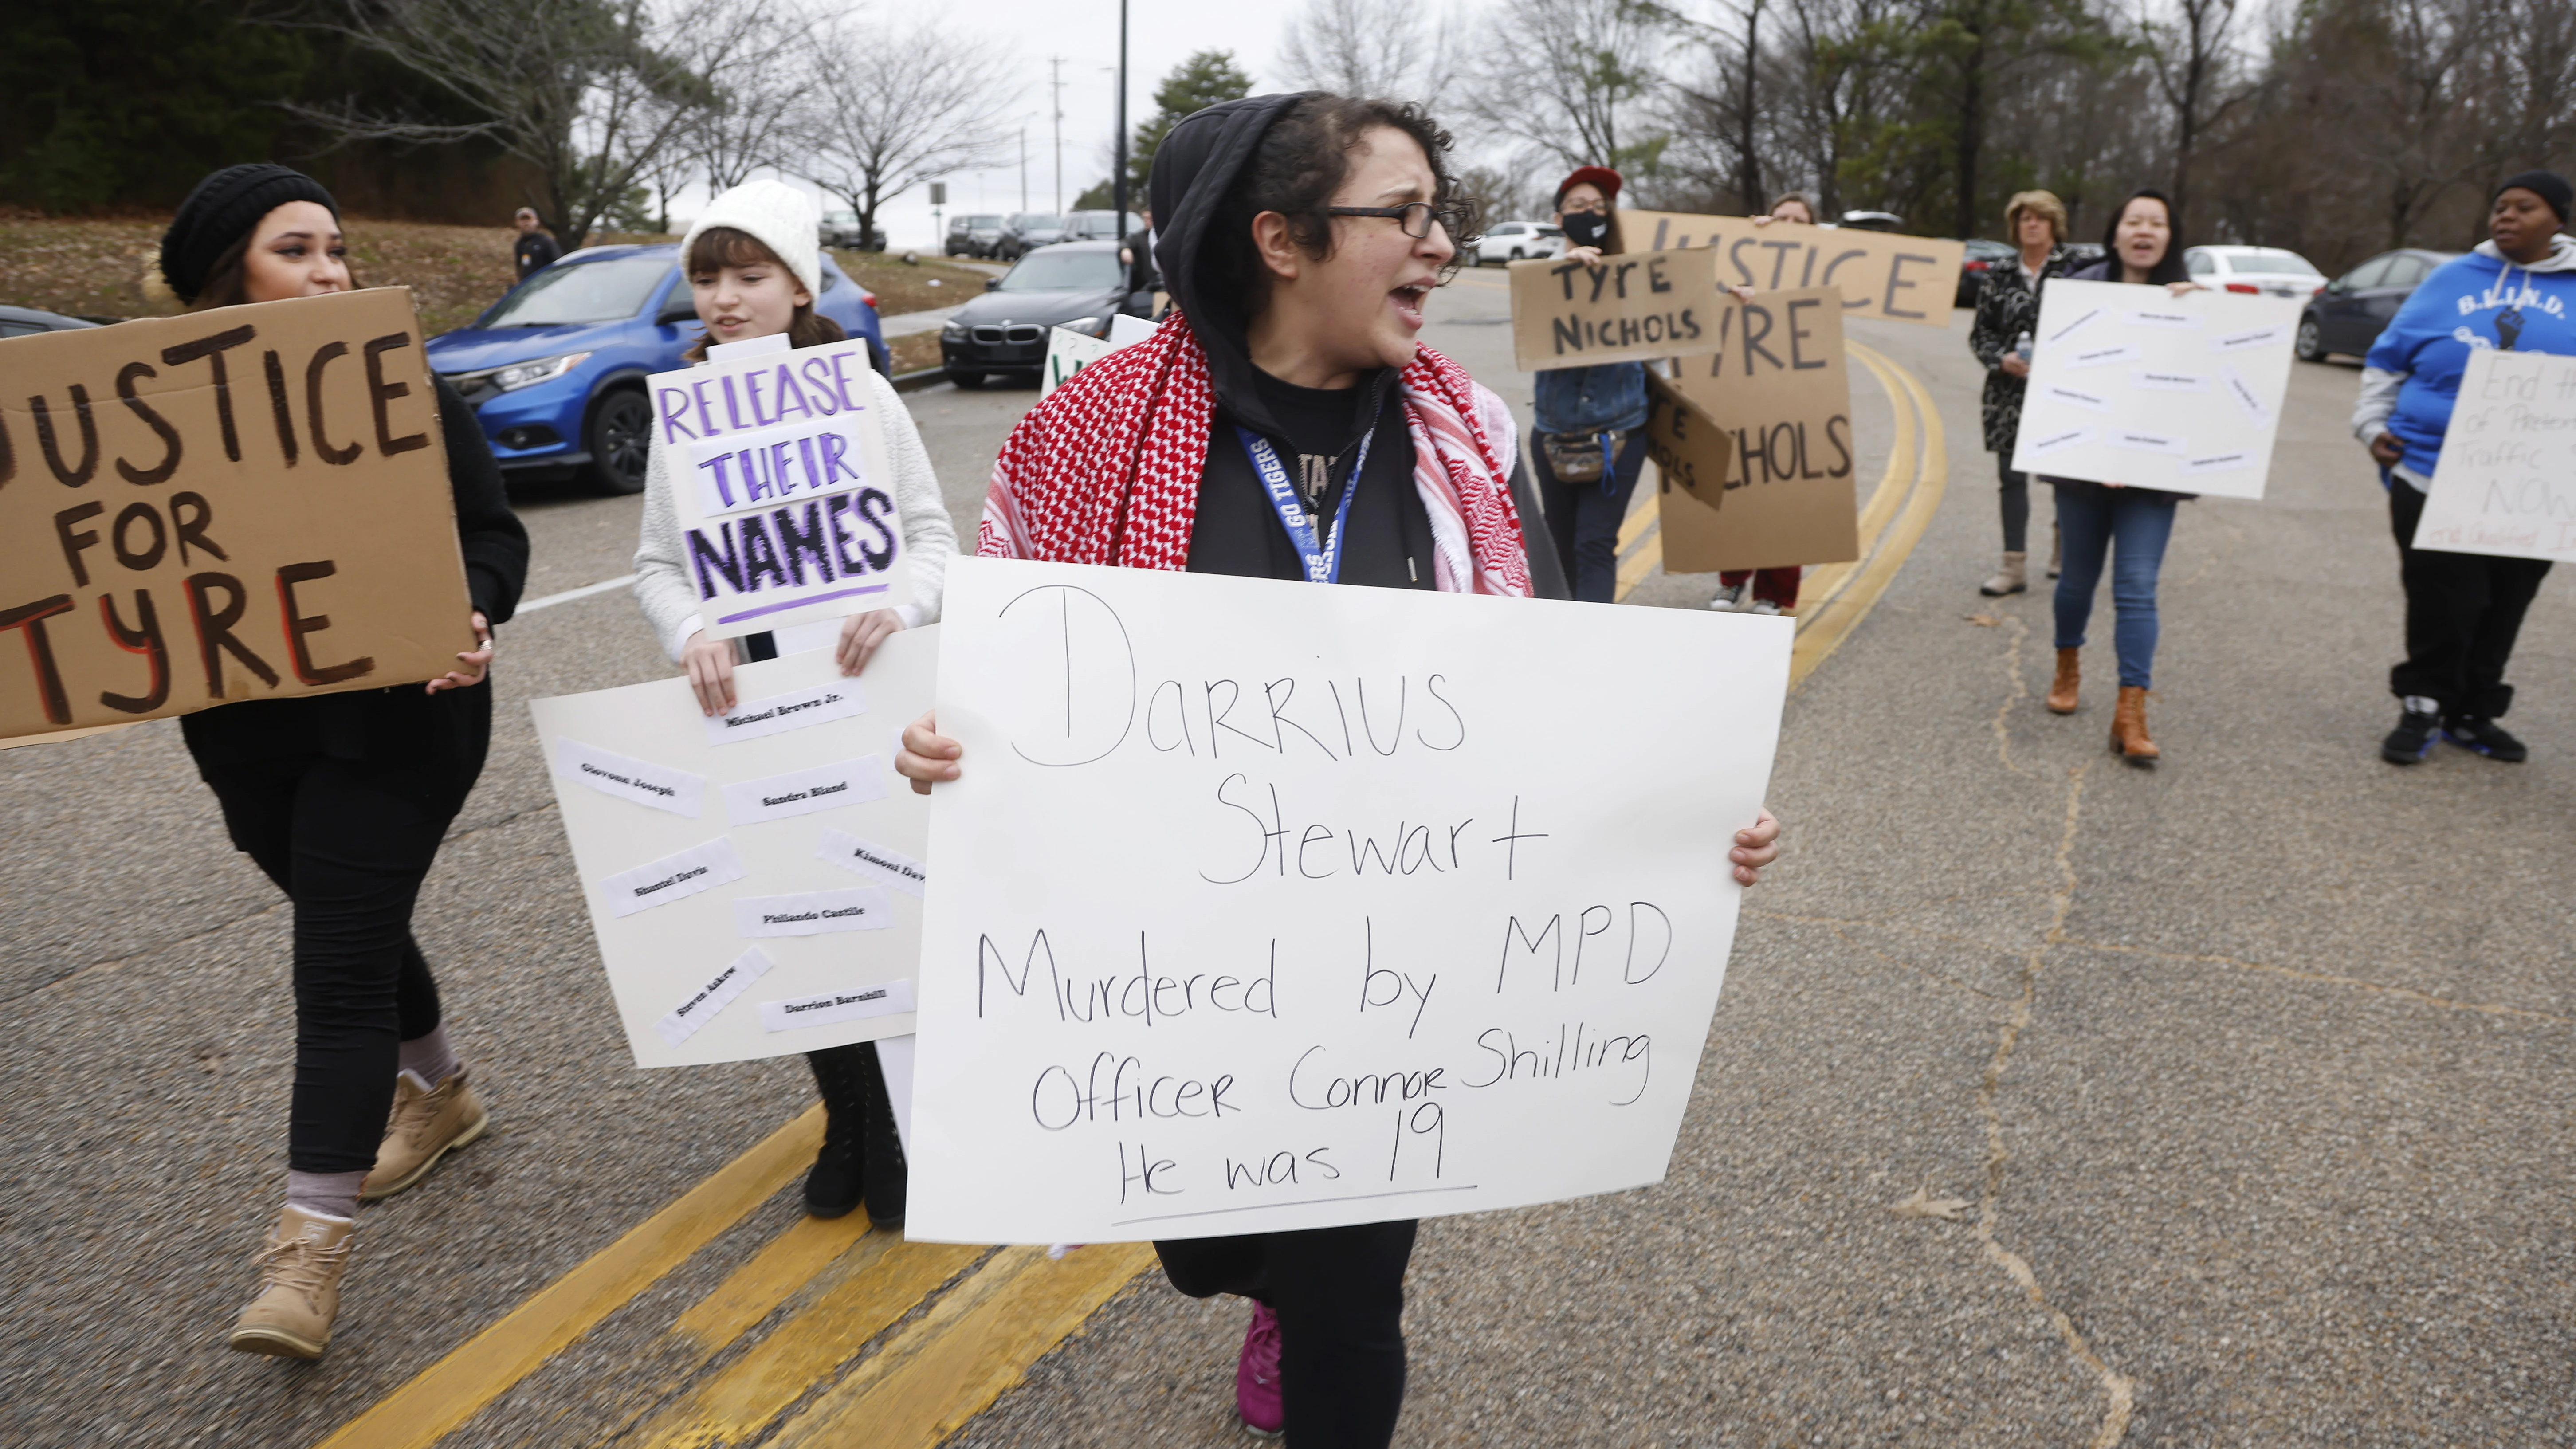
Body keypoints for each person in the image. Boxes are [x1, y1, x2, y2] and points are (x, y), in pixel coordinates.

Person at [894, 93, 1783, 1447]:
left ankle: (1310, 1308)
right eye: (1403, 216)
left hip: (1398, 976)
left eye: (1444, 217)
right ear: (1281, 240)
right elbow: (1006, 696)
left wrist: (1684, 818)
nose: (1439, 248)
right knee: (1203, 1247)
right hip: (1179, 976)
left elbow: (1558, 699)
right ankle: (1246, 1274)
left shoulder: (1466, 440)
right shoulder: (1086, 438)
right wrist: (947, 751)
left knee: (1354, 1301)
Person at [141, 164, 529, 1359]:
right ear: (225, 277)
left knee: (338, 966)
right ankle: (443, 1088)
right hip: (247, 728)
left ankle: (305, 1251)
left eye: (335, 249)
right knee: (339, 913)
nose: (330, 272)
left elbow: (493, 534)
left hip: (403, 720)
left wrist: (467, 613)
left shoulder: (400, 377)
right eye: (296, 250)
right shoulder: (146, 415)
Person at [630, 179, 957, 1227]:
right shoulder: (682, 413)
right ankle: (845, 1119)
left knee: (880, 903)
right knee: (801, 910)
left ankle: (902, 1129)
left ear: (797, 284)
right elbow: (656, 565)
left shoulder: (860, 393)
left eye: (750, 273)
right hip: (759, 707)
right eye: (707, 276)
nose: (725, 297)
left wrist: (901, 609)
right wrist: (693, 632)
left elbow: (934, 538)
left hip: (868, 691)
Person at [2354, 169, 2576, 765]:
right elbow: (2386, 361)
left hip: (2535, 484)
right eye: (2499, 207)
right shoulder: (2450, 280)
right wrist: (2372, 427)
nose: (2504, 217)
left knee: (2506, 599)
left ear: (2558, 218)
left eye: (2523, 208)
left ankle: (2473, 711)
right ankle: (2424, 702)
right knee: (2443, 597)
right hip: (2431, 471)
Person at [2038, 188, 2203, 762]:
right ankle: (2068, 664)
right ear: (2115, 233)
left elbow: (2209, 385)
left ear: (2169, 238)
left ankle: (2130, 713)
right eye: (2134, 220)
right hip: (2085, 466)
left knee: (2136, 585)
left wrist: (2205, 315)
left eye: (2158, 222)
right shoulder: (2080, 291)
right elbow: (2057, 369)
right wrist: (2099, 450)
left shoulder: (2194, 301)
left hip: (2151, 475)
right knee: (2077, 580)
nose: (2145, 230)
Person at [1531, 165, 1653, 603]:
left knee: (1594, 545)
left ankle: (1593, 653)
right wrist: (1564, 272)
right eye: (1578, 206)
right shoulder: (1540, 275)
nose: (1590, 213)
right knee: (1559, 545)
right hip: (1554, 435)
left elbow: (1671, 336)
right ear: (1560, 217)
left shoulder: (1637, 277)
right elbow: (1528, 333)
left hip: (1621, 433)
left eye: (1599, 207)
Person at [1714, 192, 1830, 613]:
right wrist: (1745, 247)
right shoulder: (1740, 262)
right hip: (1742, 390)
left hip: (1799, 392)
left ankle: (1774, 591)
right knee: (1740, 490)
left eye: (1799, 221)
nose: (1788, 226)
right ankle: (1731, 581)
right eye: (1780, 218)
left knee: (1788, 498)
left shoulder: (1820, 269)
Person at [1967, 191, 2073, 597]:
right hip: (2008, 392)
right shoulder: (1999, 272)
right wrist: (2000, 359)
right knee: (2011, 477)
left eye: (2040, 219)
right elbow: (1980, 333)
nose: (2032, 224)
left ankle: (2066, 553)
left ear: (2053, 224)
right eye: (2025, 218)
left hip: (2063, 392)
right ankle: (2014, 566)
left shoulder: (2078, 269)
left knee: (2066, 477)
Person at [513, 207, 560, 279]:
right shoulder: (520, 244)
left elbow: (558, 266)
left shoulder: (546, 242)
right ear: (517, 223)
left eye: (529, 219)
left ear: (536, 221)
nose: (526, 223)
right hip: (529, 286)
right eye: (523, 220)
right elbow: (520, 268)